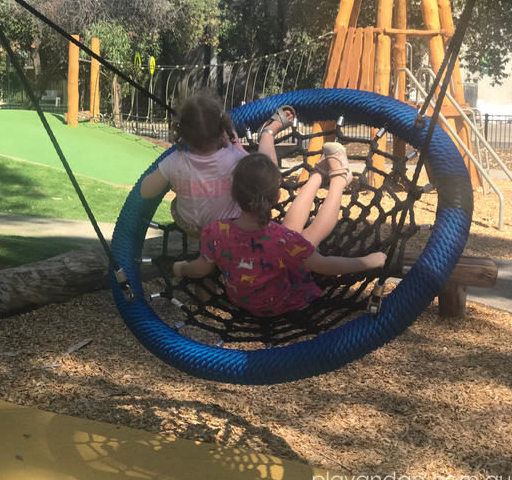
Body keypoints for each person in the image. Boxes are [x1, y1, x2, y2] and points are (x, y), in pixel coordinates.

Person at [172, 143, 387, 317]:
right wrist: (368, 262)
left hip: (242, 300)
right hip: (282, 303)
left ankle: (318, 174)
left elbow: (200, 268)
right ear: (276, 198)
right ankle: (339, 180)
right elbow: (323, 265)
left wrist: (181, 268)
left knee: (288, 236)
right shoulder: (282, 240)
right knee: (307, 238)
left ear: (235, 195)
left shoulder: (215, 232)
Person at [140, 92, 294, 236]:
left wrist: (173, 178)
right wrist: (237, 147)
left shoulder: (173, 161)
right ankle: (268, 134)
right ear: (222, 131)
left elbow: (146, 192)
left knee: (176, 202)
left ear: (182, 135)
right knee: (266, 170)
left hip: (192, 227)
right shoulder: (234, 158)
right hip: (228, 227)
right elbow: (265, 173)